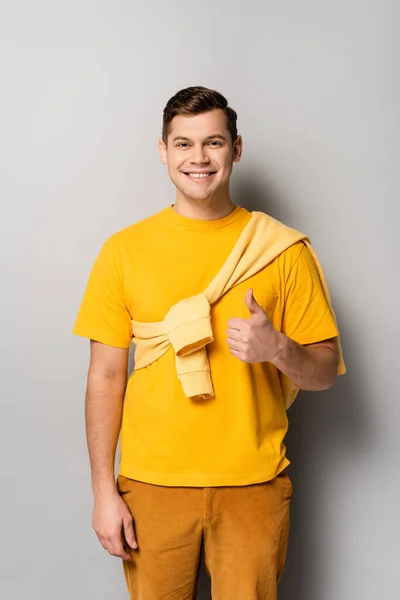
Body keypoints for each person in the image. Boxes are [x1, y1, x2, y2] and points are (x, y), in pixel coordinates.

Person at [73, 86, 345, 600]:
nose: (198, 158)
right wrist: (102, 491)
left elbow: (326, 371)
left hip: (254, 485)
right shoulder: (123, 251)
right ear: (163, 150)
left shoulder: (280, 250)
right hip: (151, 486)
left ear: (236, 149)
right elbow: (104, 376)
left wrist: (278, 350)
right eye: (183, 144)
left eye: (214, 143)